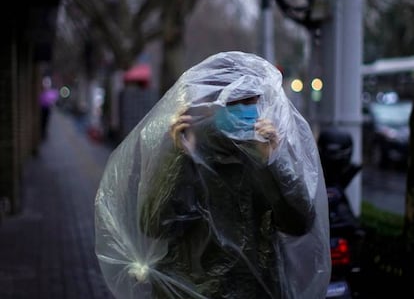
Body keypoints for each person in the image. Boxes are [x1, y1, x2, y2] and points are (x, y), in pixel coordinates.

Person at [95, 51, 331, 299]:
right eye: (236, 102)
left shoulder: (265, 151)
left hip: (257, 290)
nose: (246, 110)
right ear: (211, 106)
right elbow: (153, 225)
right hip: (186, 291)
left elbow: (300, 223)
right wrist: (180, 158)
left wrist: (273, 162)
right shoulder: (185, 149)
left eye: (252, 102)